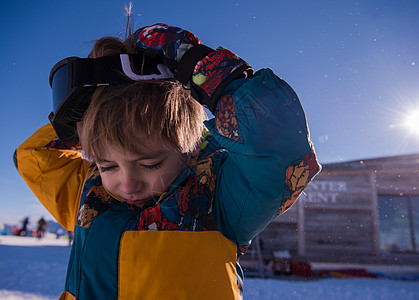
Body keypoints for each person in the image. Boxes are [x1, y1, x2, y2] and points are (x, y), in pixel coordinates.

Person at [14, 23, 321, 299]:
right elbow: (34, 157)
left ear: (188, 150)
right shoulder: (90, 194)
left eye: (150, 164)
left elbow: (284, 153)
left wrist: (205, 69)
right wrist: (84, 116)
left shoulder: (219, 197)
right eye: (107, 165)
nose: (127, 183)